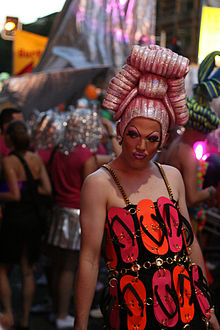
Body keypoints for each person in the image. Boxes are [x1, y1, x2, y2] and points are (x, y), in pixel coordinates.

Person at [74, 45, 220, 329]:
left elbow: (190, 247)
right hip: (132, 315)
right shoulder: (99, 183)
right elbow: (89, 258)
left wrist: (209, 309)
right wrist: (80, 325)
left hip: (186, 311)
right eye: (133, 135)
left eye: (152, 139)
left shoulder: (172, 176)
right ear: (119, 130)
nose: (141, 146)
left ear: (163, 139)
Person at [158, 51, 220, 233]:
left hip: (165, 213)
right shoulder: (188, 154)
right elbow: (192, 198)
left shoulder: (177, 142)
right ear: (202, 130)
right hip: (179, 223)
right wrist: (212, 191)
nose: (207, 137)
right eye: (206, 133)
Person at [0, 120, 52, 329]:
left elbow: (13, 194)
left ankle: (9, 313)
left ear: (10, 139)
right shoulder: (36, 159)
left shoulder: (8, 161)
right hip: (33, 221)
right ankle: (25, 319)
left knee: (2, 269)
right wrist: (30, 189)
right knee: (28, 270)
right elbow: (47, 190)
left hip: (15, 220)